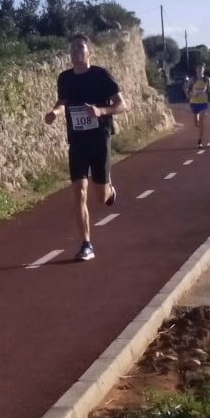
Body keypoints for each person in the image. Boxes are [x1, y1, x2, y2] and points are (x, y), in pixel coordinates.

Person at [45, 34, 128, 261]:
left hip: (99, 138)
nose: (76, 52)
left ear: (89, 52)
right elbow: (63, 103)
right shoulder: (65, 78)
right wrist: (54, 113)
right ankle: (86, 244)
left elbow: (122, 105)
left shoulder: (101, 75)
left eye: (80, 48)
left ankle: (110, 189)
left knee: (100, 196)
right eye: (72, 49)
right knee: (78, 193)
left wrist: (101, 111)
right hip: (77, 140)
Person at [186, 62, 210, 147]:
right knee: (195, 123)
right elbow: (185, 88)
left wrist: (208, 89)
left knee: (201, 121)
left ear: (204, 69)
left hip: (203, 102)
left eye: (201, 68)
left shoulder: (207, 79)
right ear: (196, 69)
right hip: (194, 102)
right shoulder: (193, 79)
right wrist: (190, 95)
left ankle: (200, 141)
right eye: (198, 68)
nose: (200, 70)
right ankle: (202, 129)